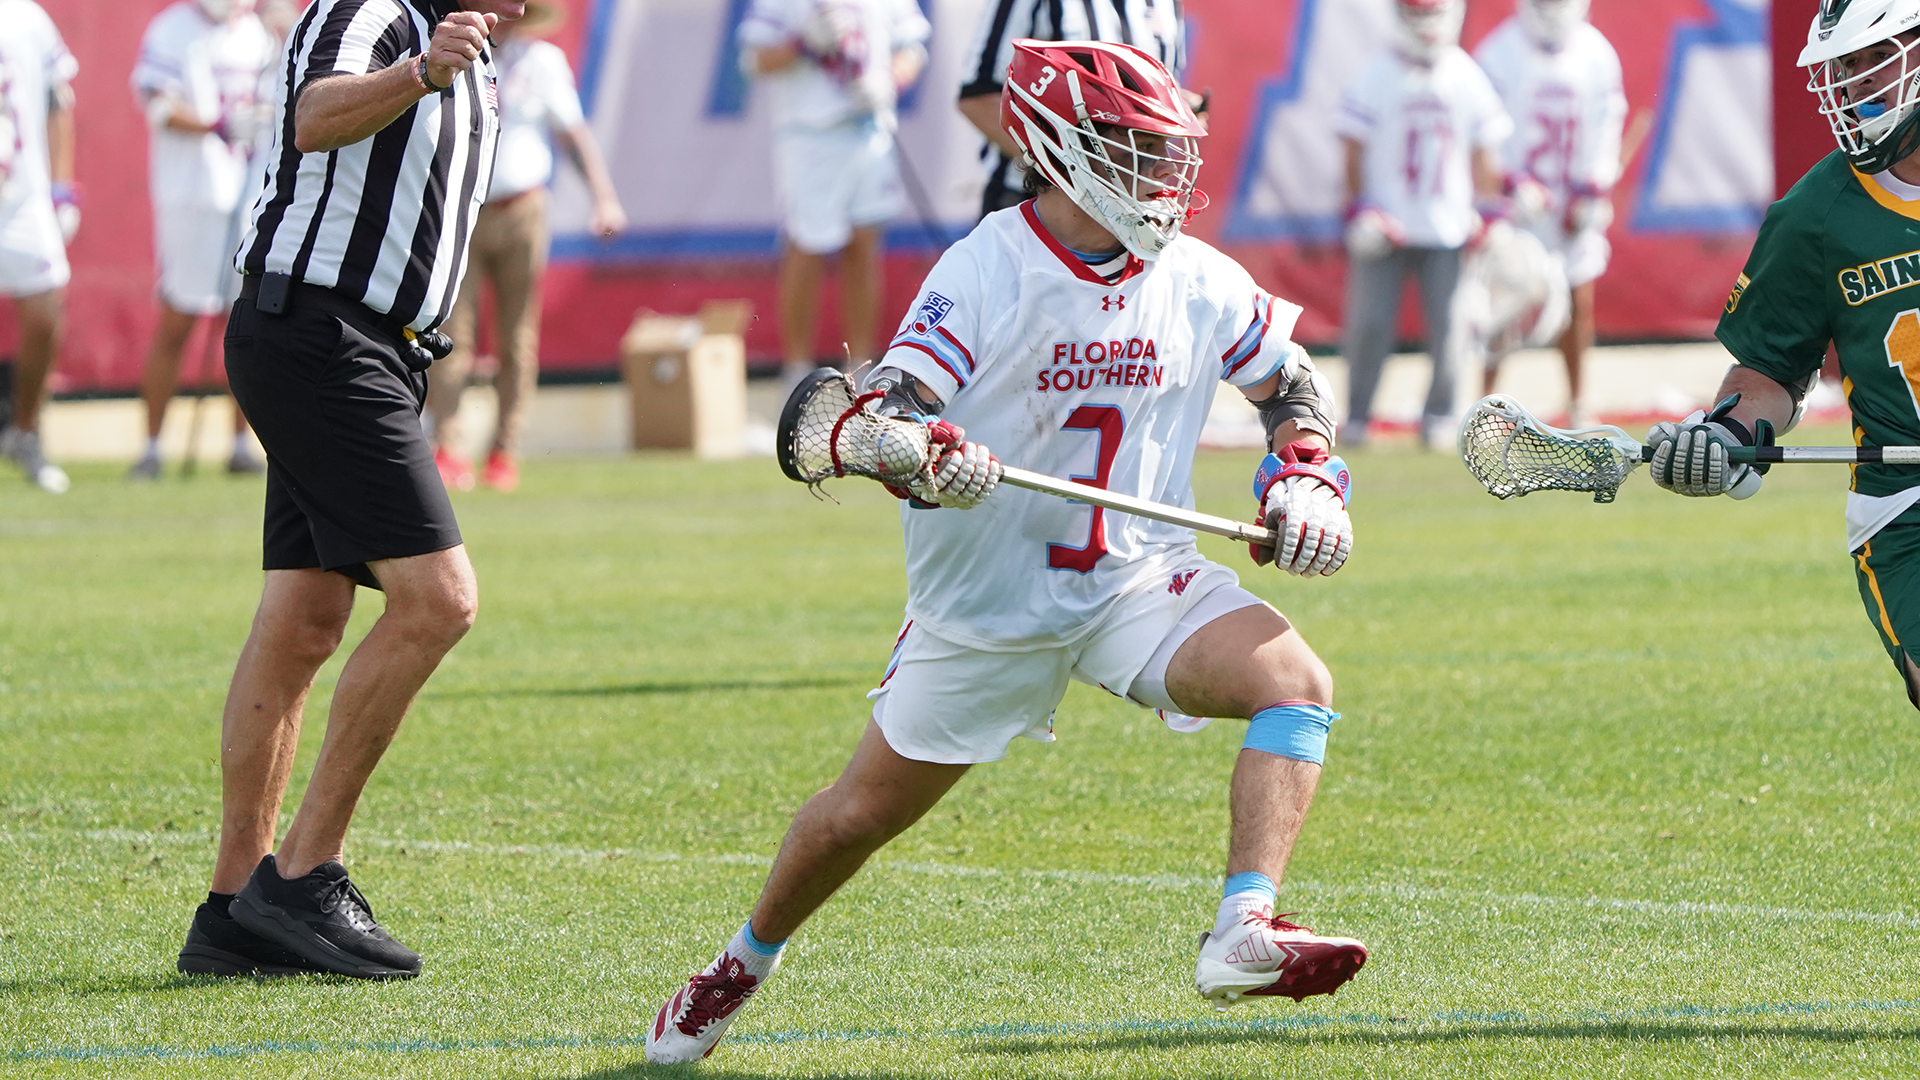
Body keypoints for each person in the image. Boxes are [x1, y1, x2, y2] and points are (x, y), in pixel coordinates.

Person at [646, 40, 1367, 1065]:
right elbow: (881, 416)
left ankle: (1241, 931)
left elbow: (1289, 381)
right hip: (987, 608)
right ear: (1062, 149)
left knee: (1295, 683)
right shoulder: (985, 268)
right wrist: (921, 454)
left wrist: (1303, 470)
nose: (1162, 181)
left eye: (1170, 158)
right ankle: (741, 961)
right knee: (854, 820)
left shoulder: (1197, 276)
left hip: (1136, 580)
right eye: (1135, 153)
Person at [174, 0, 512, 980]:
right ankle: (305, 872)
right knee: (439, 602)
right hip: (323, 335)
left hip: (366, 348)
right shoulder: (378, 12)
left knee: (304, 620)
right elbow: (312, 115)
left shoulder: (479, 49)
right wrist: (419, 73)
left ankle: (234, 909)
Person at [1646, 0, 1920, 712]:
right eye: (1845, 67)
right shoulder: (1816, 214)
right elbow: (1769, 373)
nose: (1857, 85)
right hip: (1909, 504)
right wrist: (1726, 435)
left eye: (1874, 59)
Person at [423, 0, 625, 493]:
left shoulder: (543, 62)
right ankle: (450, 446)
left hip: (524, 208)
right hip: (462, 208)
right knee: (452, 333)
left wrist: (603, 197)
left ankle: (505, 450)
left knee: (517, 337)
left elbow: (572, 135)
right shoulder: (454, 51)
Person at [1336, 0, 1510, 449]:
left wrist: (1490, 210)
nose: (1426, 25)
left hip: (1448, 225)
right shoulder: (1377, 73)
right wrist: (1358, 208)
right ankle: (1356, 416)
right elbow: (1353, 148)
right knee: (1369, 326)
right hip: (1387, 225)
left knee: (1452, 330)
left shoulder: (1464, 73)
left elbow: (1484, 151)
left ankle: (1440, 416)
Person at [737, 0, 929, 388]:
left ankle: (861, 375)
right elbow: (754, 60)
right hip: (810, 137)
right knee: (807, 248)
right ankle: (796, 376)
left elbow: (912, 49)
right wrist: (803, 46)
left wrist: (889, 81)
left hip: (869, 130)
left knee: (863, 247)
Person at [128, 0, 278, 481]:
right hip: (192, 194)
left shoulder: (259, 33)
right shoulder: (172, 30)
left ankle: (240, 443)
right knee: (180, 316)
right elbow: (158, 106)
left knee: (247, 324)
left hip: (251, 194)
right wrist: (218, 125)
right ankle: (151, 445)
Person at [1473, 0, 1625, 426]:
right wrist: (1510, 182)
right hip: (1518, 205)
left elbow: (1607, 124)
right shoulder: (1498, 52)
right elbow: (1483, 133)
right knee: (1503, 303)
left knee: (1579, 299)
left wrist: (1593, 185)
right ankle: (1485, 404)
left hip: (1571, 204)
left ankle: (1578, 402)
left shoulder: (1596, 52)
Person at [958, 0, 1198, 219]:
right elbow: (978, 97)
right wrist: (1076, 173)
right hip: (1036, 203)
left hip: (1139, 203)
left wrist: (1180, 110)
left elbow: (1151, 94)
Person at [0, 0, 78, 494]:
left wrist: (63, 185)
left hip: (20, 194)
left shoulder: (26, 16)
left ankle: (24, 431)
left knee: (45, 313)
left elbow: (58, 100)